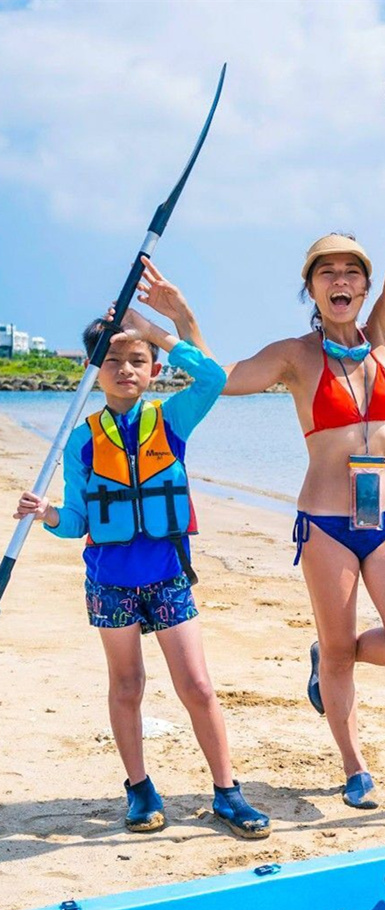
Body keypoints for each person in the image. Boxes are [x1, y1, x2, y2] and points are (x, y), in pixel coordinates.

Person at [201, 131, 385, 810]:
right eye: (326, 272)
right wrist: (176, 332)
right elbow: (222, 379)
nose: (342, 280)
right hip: (329, 523)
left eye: (351, 272)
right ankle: (354, 764)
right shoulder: (294, 356)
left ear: (365, 287)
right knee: (340, 652)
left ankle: (328, 656)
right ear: (310, 286)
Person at [14, 273, 270, 839]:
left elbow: (214, 376)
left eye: (137, 359)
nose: (125, 369)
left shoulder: (171, 420)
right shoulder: (81, 442)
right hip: (110, 581)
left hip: (167, 575)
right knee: (127, 686)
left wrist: (158, 326)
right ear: (94, 371)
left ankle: (227, 792)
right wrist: (48, 514)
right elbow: (78, 522)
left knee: (198, 686)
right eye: (112, 360)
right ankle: (139, 789)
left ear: (154, 369)